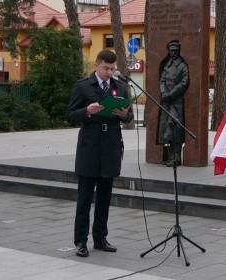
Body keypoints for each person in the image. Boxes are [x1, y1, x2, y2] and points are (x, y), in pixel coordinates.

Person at [66, 50, 134, 257]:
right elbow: (69, 115)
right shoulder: (83, 86)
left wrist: (125, 115)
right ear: (96, 65)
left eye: (113, 69)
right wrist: (88, 110)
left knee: (105, 197)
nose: (109, 72)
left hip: (111, 145)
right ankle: (80, 241)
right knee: (85, 198)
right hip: (90, 145)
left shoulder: (120, 87)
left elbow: (128, 115)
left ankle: (101, 238)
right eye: (106, 68)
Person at [157, 40, 189, 167]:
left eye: (176, 50)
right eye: (172, 51)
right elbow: (162, 80)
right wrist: (164, 93)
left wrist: (171, 94)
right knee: (167, 130)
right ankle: (170, 157)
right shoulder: (167, 65)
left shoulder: (183, 66)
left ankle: (177, 158)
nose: (174, 53)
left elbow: (184, 82)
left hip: (177, 102)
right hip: (166, 102)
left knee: (176, 129)